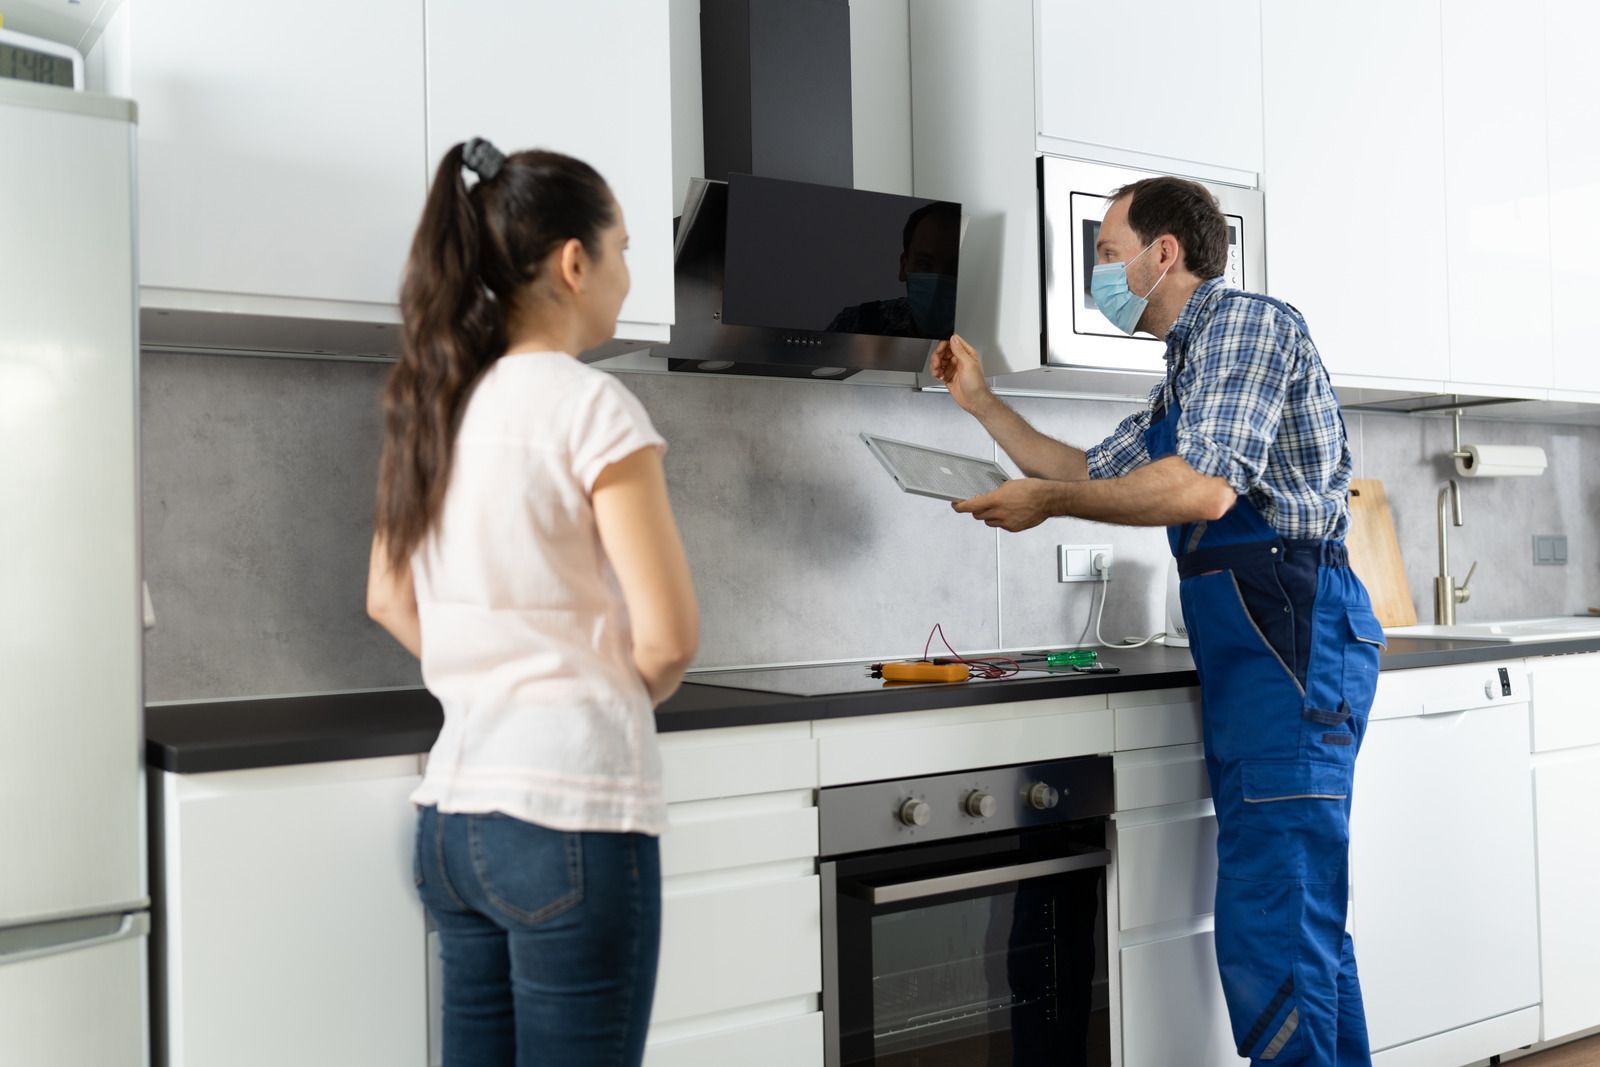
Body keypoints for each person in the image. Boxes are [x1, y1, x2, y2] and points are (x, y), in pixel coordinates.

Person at [932, 175, 1383, 1066]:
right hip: (1262, 651)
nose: (1101, 272)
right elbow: (1088, 465)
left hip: (1292, 638)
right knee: (1305, 934)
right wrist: (983, 404)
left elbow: (1205, 489)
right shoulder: (1190, 369)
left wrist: (1051, 502)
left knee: (1273, 930)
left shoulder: (1247, 326)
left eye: (1107, 252)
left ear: (1162, 252)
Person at [365, 137, 699, 1067]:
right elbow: (670, 637)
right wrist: (581, 692)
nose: (631, 274)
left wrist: (493, 674)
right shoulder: (593, 406)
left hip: (453, 821)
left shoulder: (437, 405)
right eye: (626, 249)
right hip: (568, 816)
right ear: (573, 262)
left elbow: (388, 597)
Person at [826, 199, 960, 339]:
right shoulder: (857, 325)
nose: (938, 282)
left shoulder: (980, 332)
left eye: (953, 268)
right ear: (904, 266)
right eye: (925, 264)